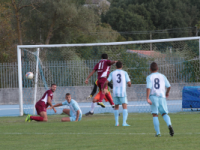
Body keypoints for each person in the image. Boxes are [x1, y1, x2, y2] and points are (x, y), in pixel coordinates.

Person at [146, 62, 174, 137]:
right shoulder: (162, 76)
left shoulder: (149, 77)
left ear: (150, 69)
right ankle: (169, 125)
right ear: (157, 69)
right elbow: (169, 86)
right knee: (164, 113)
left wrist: (147, 98)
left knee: (155, 114)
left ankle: (158, 133)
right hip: (162, 97)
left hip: (153, 97)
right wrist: (167, 93)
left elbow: (149, 87)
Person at [103, 61, 131, 126]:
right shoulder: (125, 73)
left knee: (116, 107)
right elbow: (129, 83)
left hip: (115, 92)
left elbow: (106, 81)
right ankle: (124, 123)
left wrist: (103, 88)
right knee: (124, 107)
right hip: (122, 92)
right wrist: (129, 85)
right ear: (122, 66)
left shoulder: (112, 73)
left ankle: (116, 123)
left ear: (116, 67)